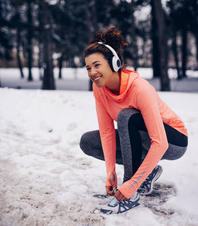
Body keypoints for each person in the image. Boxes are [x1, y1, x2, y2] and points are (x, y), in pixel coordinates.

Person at [80, 26, 188, 215]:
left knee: (127, 116)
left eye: (97, 65)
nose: (92, 72)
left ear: (114, 63)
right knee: (88, 141)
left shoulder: (139, 88)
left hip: (174, 140)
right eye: (88, 67)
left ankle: (132, 194)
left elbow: (160, 143)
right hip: (141, 138)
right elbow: (106, 133)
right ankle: (146, 174)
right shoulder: (99, 89)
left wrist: (130, 185)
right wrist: (110, 173)